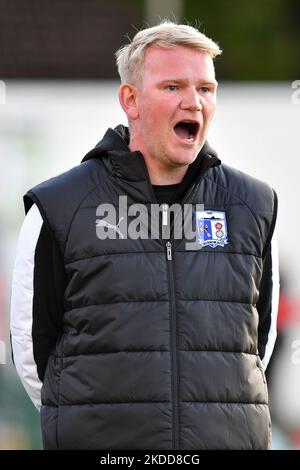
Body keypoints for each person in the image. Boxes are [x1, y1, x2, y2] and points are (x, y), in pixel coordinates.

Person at [10, 21, 279, 450]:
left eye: (205, 89)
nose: (193, 102)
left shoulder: (253, 205)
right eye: (173, 87)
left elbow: (256, 348)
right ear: (130, 99)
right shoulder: (60, 206)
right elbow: (32, 356)